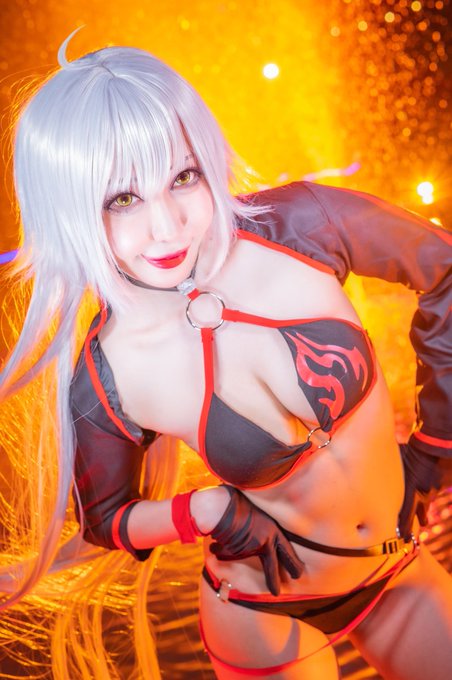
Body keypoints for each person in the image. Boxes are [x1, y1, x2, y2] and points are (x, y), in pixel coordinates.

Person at [1, 31, 451, 679]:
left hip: (397, 564)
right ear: (69, 211)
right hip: (259, 610)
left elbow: (444, 270)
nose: (167, 227)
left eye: (182, 177)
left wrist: (437, 446)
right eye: (121, 199)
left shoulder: (302, 225)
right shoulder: (108, 375)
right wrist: (204, 512)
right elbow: (107, 519)